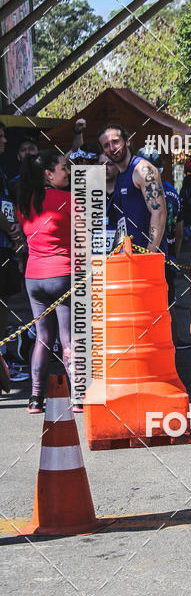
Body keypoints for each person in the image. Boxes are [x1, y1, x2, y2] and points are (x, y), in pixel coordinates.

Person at [16, 150, 74, 413]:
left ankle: (35, 398)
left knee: (42, 338)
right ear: (48, 174)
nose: (69, 172)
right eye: (64, 168)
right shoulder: (70, 200)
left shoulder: (24, 201)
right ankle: (79, 396)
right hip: (62, 275)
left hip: (33, 277)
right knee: (68, 339)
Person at [137, 147, 185, 346]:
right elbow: (180, 228)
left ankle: (162, 342)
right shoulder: (172, 191)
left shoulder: (144, 191)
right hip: (169, 252)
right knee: (169, 299)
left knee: (152, 302)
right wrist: (176, 253)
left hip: (151, 252)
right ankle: (174, 340)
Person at [98, 125, 167, 254]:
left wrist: (150, 254)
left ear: (127, 141)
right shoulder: (119, 176)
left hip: (147, 259)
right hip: (128, 257)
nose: (112, 148)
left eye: (115, 141)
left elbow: (159, 212)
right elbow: (122, 221)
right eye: (106, 145)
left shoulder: (142, 170)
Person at [0, 125, 26, 382]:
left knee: (5, 301)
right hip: (2, 245)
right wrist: (11, 230)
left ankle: (3, 361)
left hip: (5, 246)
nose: (4, 140)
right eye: (1, 137)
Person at [8, 136, 38, 203]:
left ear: (38, 153)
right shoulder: (12, 184)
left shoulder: (50, 178)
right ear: (18, 157)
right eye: (23, 150)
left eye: (31, 149)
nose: (27, 152)